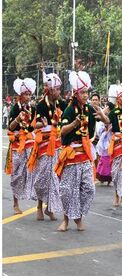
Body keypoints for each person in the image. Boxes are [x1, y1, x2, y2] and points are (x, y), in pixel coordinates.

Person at [55, 71, 108, 231]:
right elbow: (62, 130)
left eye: (87, 92)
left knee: (88, 189)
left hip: (85, 155)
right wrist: (74, 124)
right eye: (83, 93)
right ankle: (66, 220)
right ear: (76, 94)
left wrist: (103, 117)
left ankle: (77, 215)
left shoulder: (90, 109)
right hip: (71, 155)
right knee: (67, 190)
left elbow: (108, 124)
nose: (86, 95)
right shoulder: (70, 110)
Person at [28, 73, 66, 221]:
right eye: (57, 89)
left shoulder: (61, 104)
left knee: (55, 177)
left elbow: (69, 114)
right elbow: (34, 124)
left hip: (57, 144)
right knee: (42, 178)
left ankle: (50, 208)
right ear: (50, 90)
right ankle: (39, 206)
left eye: (59, 89)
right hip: (44, 145)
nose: (59, 92)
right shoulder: (41, 105)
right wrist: (42, 124)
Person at [6, 78, 37, 214]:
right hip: (17, 144)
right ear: (20, 95)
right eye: (26, 94)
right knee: (17, 175)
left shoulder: (32, 109)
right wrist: (18, 119)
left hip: (29, 143)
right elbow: (10, 127)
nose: (28, 97)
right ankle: (15, 203)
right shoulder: (14, 108)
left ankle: (33, 195)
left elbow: (32, 128)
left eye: (30, 94)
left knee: (31, 171)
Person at [104, 84, 122, 208]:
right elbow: (107, 122)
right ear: (118, 99)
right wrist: (102, 114)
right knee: (115, 172)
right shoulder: (113, 112)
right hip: (116, 144)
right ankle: (116, 194)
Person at [94, 93, 113, 185]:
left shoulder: (111, 117)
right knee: (103, 158)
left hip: (109, 139)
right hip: (103, 139)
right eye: (105, 107)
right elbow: (99, 128)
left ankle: (108, 177)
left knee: (107, 159)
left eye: (107, 107)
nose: (105, 108)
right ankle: (102, 176)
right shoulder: (102, 116)